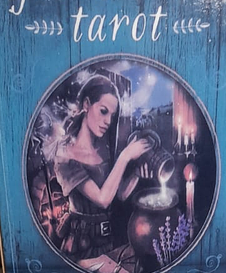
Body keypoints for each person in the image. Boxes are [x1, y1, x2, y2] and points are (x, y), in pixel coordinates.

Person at [52, 75, 151, 261]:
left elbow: (119, 194)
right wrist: (125, 156)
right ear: (86, 104)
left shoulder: (104, 149)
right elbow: (103, 199)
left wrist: (136, 174)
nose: (108, 121)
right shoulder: (65, 156)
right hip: (81, 245)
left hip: (107, 241)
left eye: (112, 116)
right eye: (103, 111)